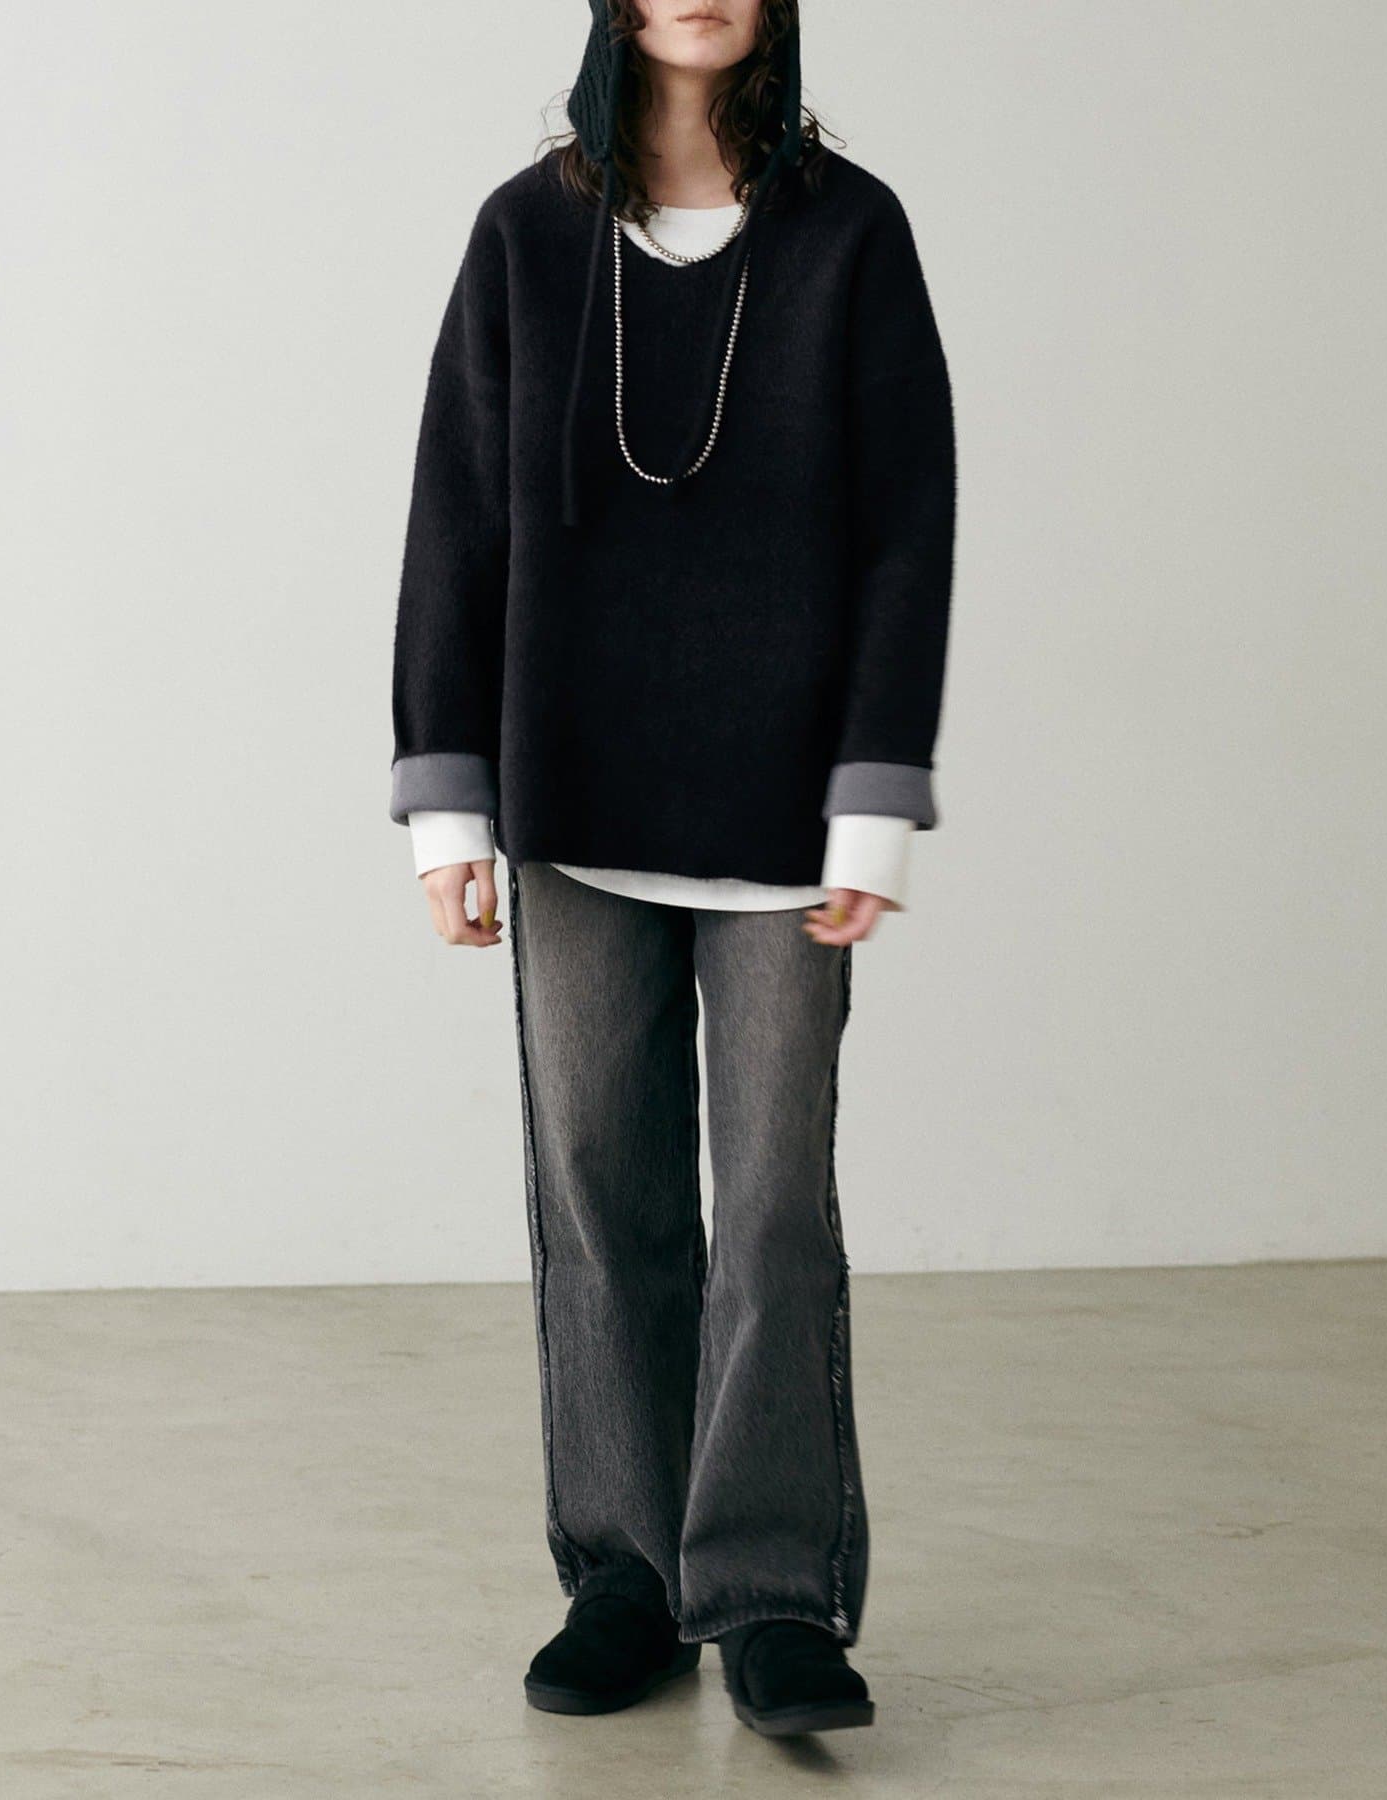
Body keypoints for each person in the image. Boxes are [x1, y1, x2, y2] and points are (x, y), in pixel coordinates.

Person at [389, 0, 955, 1738]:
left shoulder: (851, 233)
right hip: (573, 797)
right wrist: (448, 805)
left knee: (774, 1207)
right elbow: (456, 516)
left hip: (785, 811)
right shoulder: (525, 232)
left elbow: (907, 528)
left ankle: (772, 1592)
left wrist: (872, 804)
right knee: (599, 1192)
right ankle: (628, 1576)